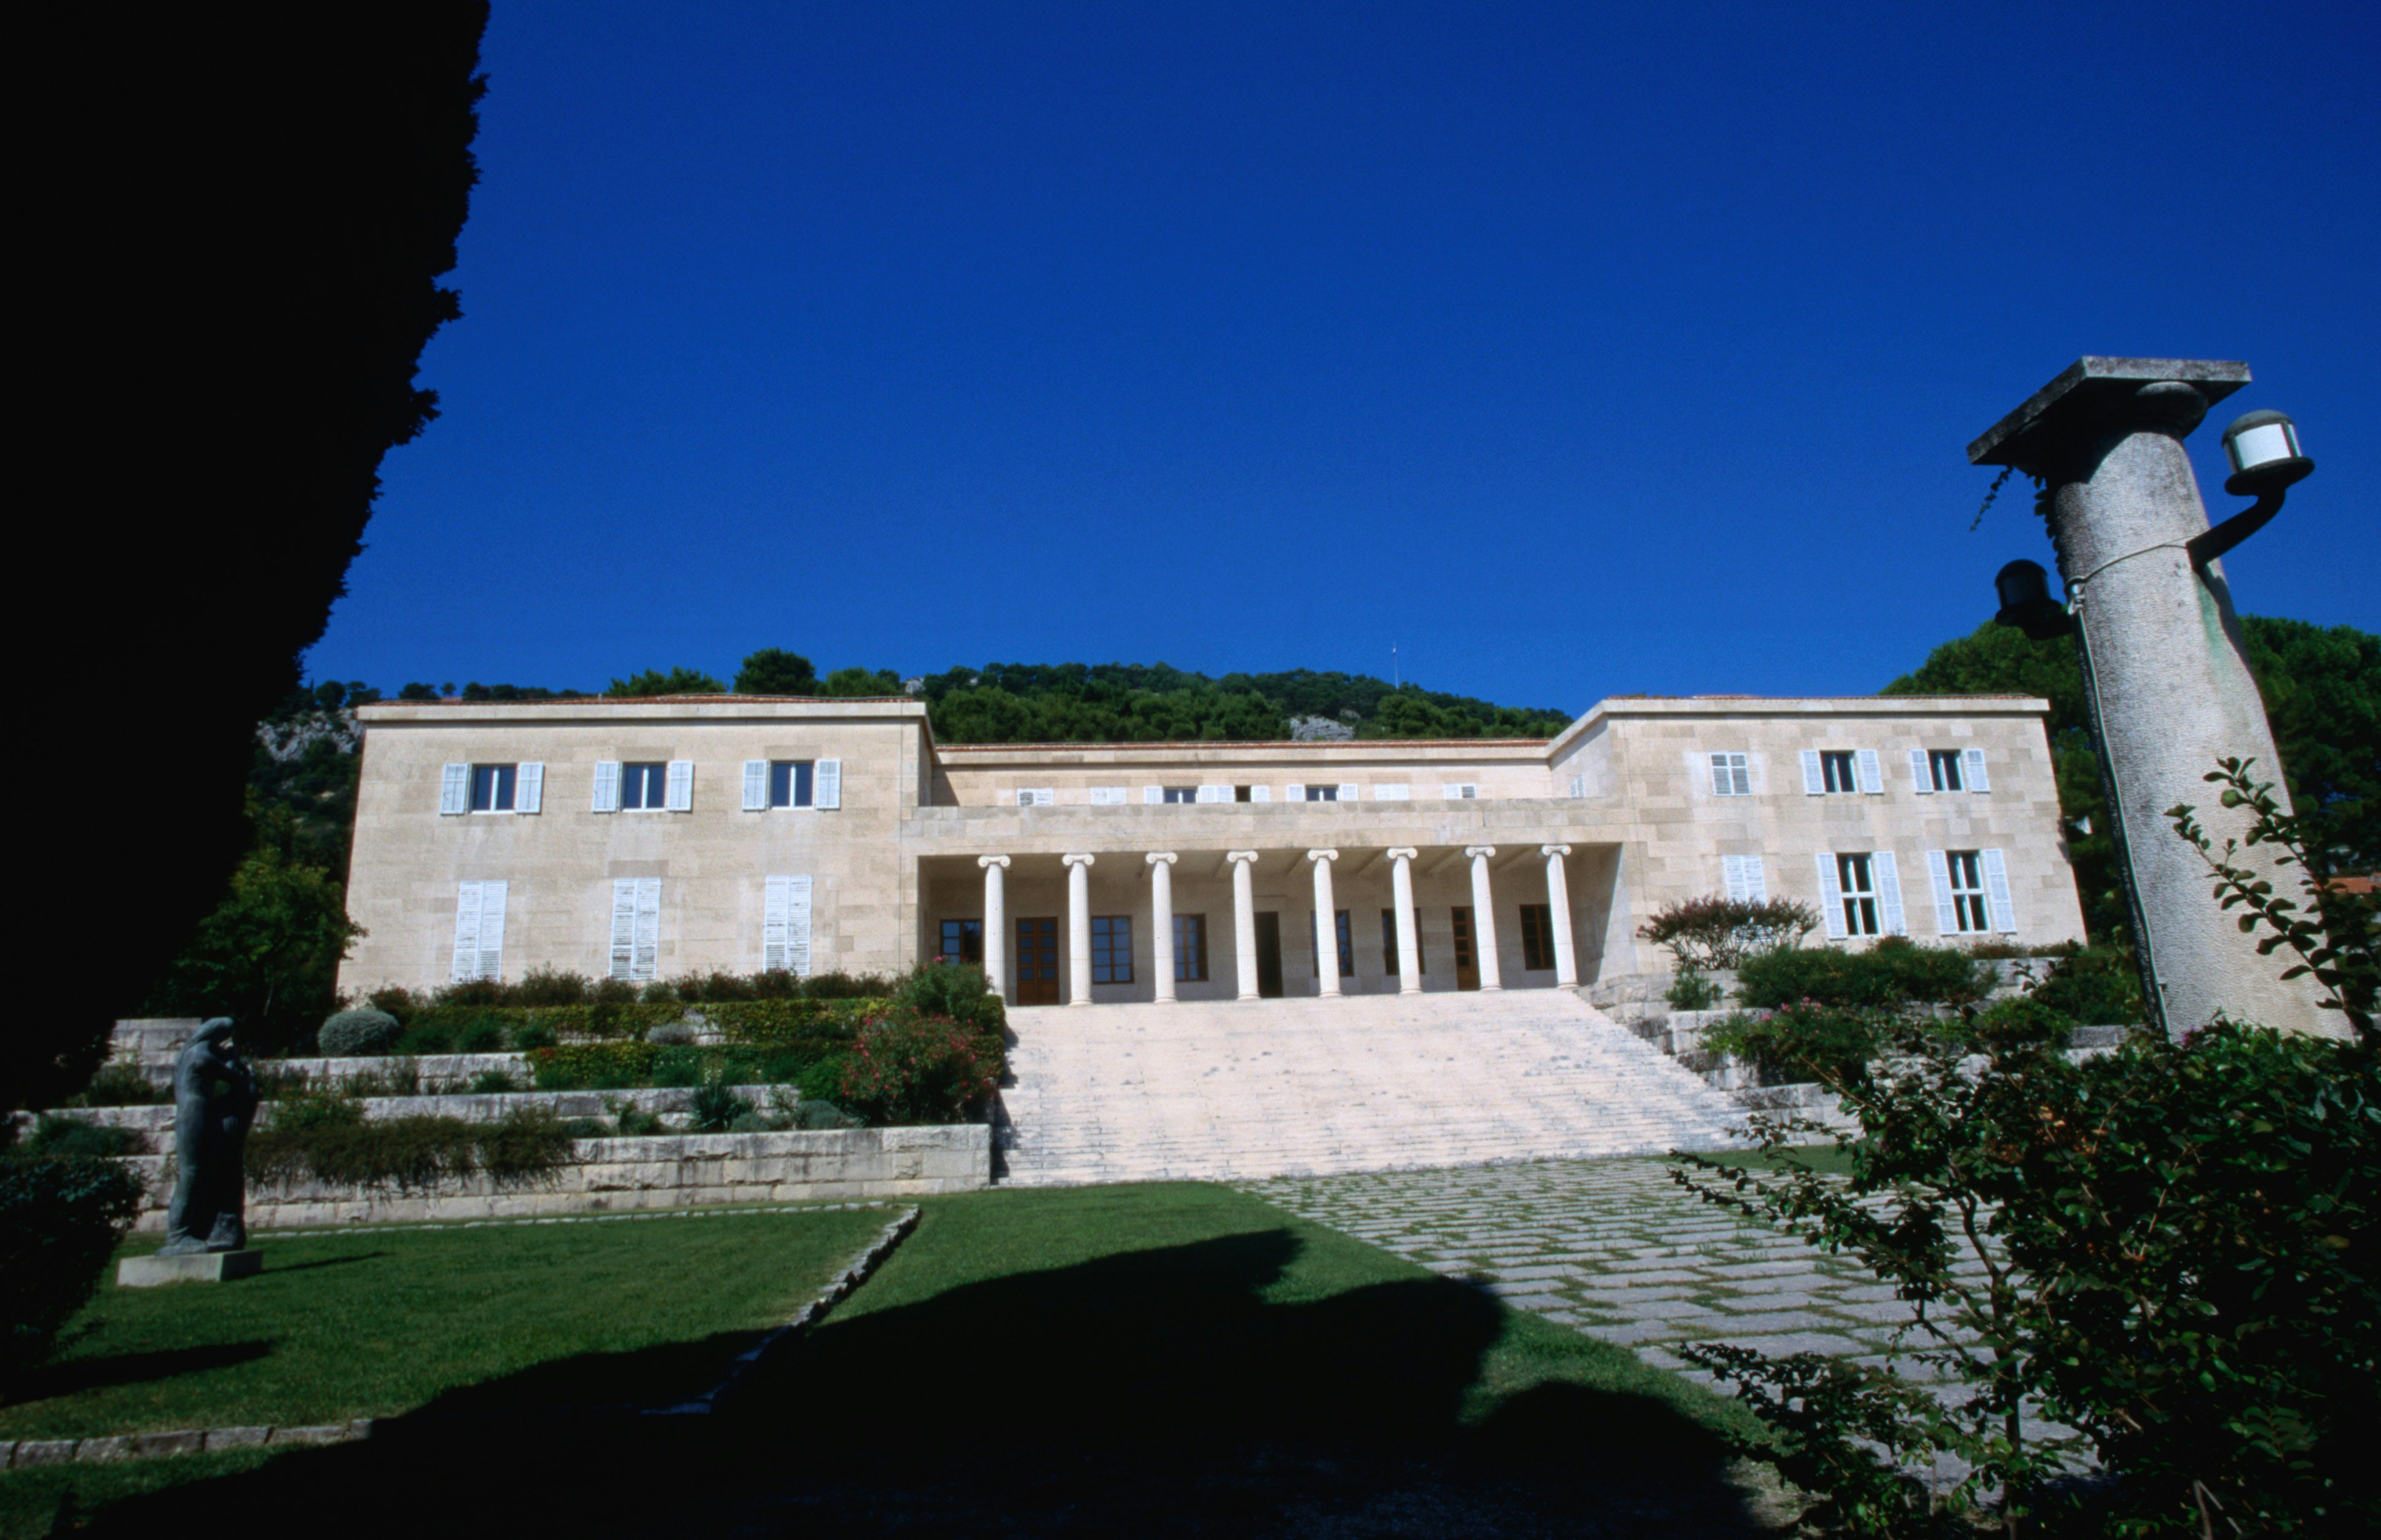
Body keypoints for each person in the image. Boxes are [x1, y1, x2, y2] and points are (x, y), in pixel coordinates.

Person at [158, 1017, 258, 1255]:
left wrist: (232, 1056)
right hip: (195, 1114)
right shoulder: (201, 1057)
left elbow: (225, 1061)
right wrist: (238, 1063)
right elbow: (233, 1076)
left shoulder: (193, 1052)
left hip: (198, 1112)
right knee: (192, 1173)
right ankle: (177, 1236)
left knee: (201, 1173)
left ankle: (196, 1228)